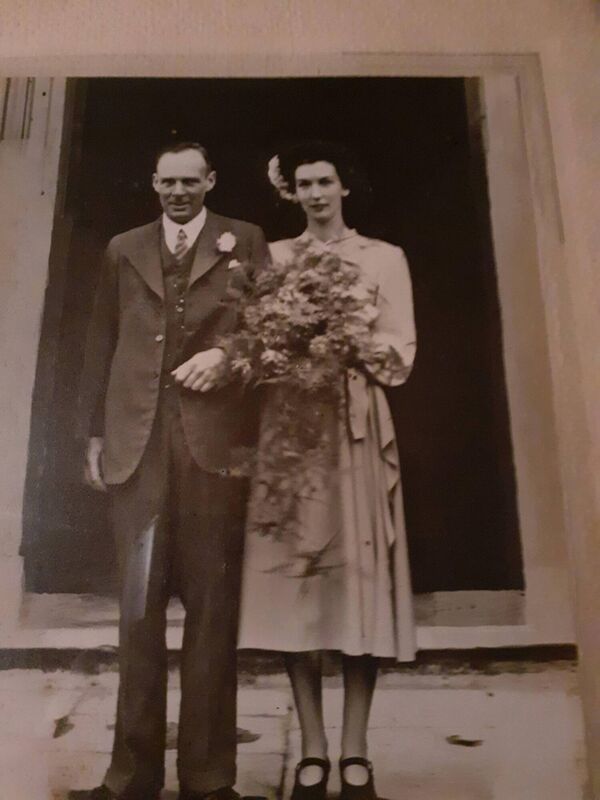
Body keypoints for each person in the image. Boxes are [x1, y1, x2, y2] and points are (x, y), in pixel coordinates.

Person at [73, 142, 269, 800]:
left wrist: (226, 354)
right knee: (137, 614)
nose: (178, 192)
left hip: (211, 449)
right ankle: (129, 778)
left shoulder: (243, 240)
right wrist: (94, 435)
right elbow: (100, 339)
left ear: (211, 180)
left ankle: (210, 781)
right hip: (138, 448)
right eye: (167, 182)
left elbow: (269, 332)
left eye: (190, 180)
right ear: (153, 183)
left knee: (213, 614)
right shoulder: (123, 248)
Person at [238, 142, 417, 800]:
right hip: (292, 433)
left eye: (326, 182)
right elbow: (254, 348)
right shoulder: (275, 258)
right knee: (297, 588)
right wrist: (286, 334)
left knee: (357, 586)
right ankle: (312, 744)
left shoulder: (384, 259)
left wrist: (346, 332)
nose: (315, 193)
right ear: (291, 191)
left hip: (355, 427)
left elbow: (400, 357)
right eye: (304, 184)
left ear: (345, 187)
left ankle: (355, 748)